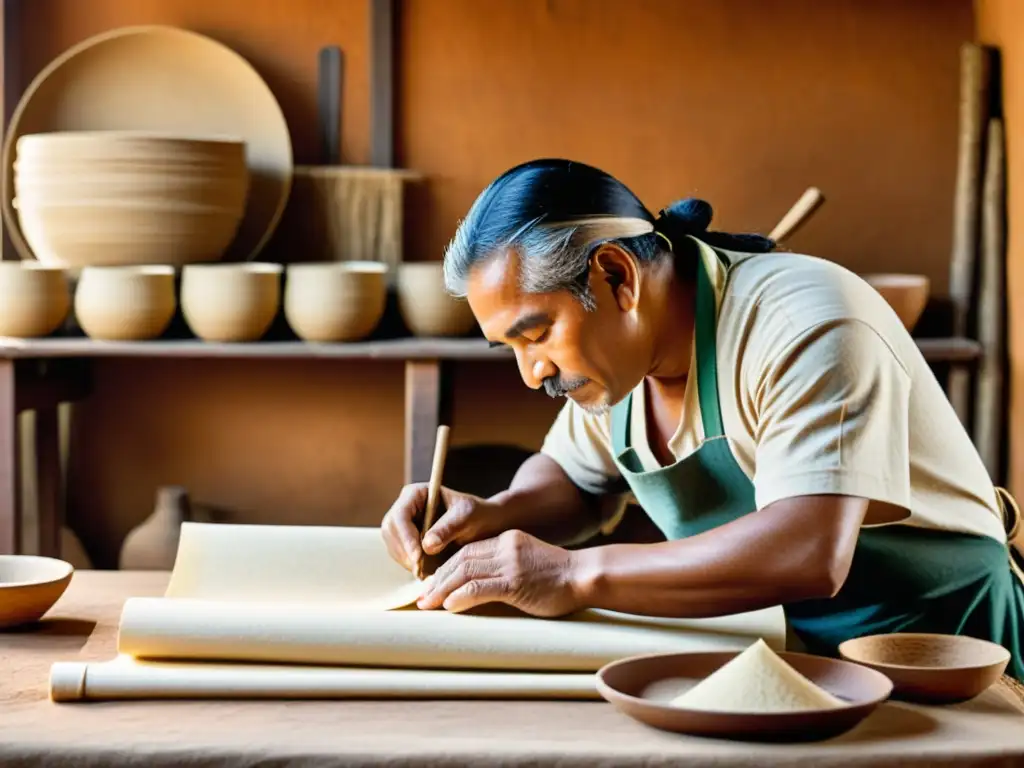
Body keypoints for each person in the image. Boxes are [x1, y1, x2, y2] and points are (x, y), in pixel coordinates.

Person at [380, 158, 1024, 680]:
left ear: (616, 275)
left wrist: (573, 574)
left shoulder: (810, 323)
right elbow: (575, 482)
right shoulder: (622, 361)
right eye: (512, 348)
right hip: (776, 648)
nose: (531, 372)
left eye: (538, 334)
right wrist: (495, 514)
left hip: (938, 648)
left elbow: (807, 550)